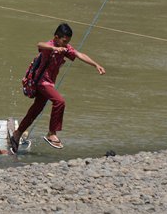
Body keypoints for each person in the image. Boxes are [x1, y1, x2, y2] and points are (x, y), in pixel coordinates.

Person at [9, 23, 105, 152]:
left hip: (49, 83)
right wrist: (54, 49)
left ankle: (17, 134)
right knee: (59, 101)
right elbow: (39, 44)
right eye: (64, 41)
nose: (65, 44)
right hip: (42, 82)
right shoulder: (49, 46)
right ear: (56, 37)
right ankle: (51, 133)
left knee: (35, 111)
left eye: (68, 42)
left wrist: (95, 65)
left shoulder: (65, 47)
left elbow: (79, 54)